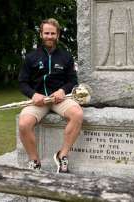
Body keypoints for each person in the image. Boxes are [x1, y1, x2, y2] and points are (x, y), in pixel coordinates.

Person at [18, 18, 83, 173]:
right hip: (38, 101)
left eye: (52, 33)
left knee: (78, 114)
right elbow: (22, 83)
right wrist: (33, 94)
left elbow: (73, 81)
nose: (49, 36)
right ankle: (35, 161)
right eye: (46, 33)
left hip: (60, 99)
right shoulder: (31, 57)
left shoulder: (66, 57)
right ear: (41, 34)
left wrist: (62, 90)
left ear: (58, 35)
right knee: (23, 124)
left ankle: (62, 155)